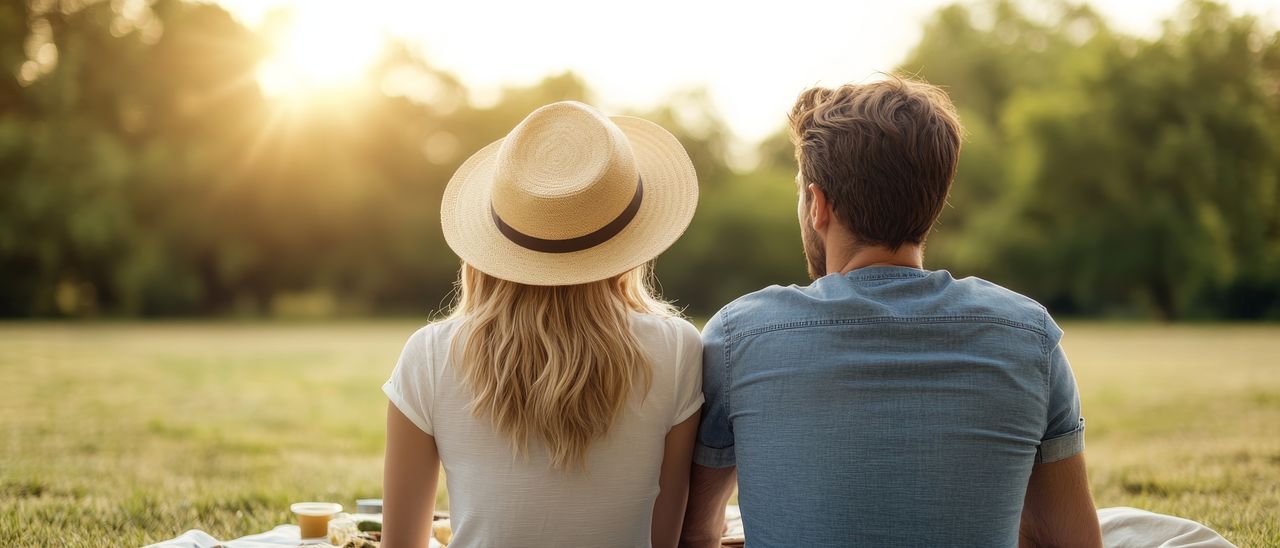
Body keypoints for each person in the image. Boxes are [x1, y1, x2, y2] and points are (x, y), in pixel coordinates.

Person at [679, 77, 1103, 547]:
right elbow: (1070, 538)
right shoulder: (1030, 336)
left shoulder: (738, 336)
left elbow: (696, 532)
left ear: (818, 205)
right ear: (935, 200)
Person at [381, 101, 704, 548]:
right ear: (630, 244)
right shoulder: (678, 349)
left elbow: (399, 543)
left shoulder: (430, 355)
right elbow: (661, 540)